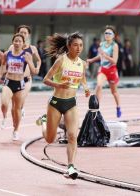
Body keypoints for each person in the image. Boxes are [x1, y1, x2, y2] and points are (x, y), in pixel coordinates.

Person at [36, 32, 90, 179]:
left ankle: (71, 167)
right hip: (56, 103)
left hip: (71, 103)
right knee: (49, 139)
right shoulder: (61, 60)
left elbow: (82, 78)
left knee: (73, 136)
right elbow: (45, 80)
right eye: (75, 45)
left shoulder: (82, 63)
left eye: (81, 45)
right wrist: (58, 84)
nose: (78, 48)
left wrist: (85, 88)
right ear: (68, 46)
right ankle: (44, 121)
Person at [1, 33, 39, 141]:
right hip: (8, 81)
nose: (17, 43)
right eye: (15, 41)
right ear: (12, 42)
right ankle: (4, 117)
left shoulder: (26, 55)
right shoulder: (7, 54)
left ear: (23, 44)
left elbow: (33, 70)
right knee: (4, 103)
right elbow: (2, 68)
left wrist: (35, 68)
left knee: (17, 109)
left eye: (19, 41)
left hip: (20, 84)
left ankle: (16, 130)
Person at [87, 25, 121, 118]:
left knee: (114, 92)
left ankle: (118, 107)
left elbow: (114, 61)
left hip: (112, 70)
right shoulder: (102, 44)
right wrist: (91, 60)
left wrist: (105, 55)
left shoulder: (115, 46)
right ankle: (96, 108)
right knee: (98, 85)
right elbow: (100, 56)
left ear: (113, 35)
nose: (107, 35)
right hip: (103, 70)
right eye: (106, 33)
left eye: (109, 33)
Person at [8, 25, 42, 119]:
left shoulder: (32, 48)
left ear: (28, 35)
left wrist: (37, 67)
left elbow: (39, 60)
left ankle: (21, 109)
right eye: (21, 32)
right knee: (14, 104)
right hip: (14, 79)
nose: (23, 34)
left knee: (21, 100)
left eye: (25, 33)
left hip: (27, 79)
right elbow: (7, 58)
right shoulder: (12, 47)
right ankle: (15, 124)